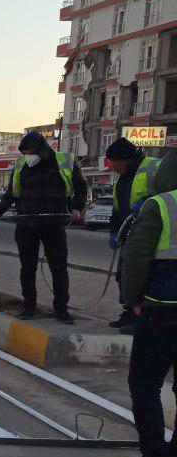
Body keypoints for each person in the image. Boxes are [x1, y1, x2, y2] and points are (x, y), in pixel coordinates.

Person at [113, 150, 177, 457]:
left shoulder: (161, 205)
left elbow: (136, 261)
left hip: (163, 309)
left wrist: (131, 300)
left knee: (145, 385)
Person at [0, 131, 88, 324]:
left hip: (54, 224)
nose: (27, 155)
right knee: (27, 268)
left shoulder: (64, 161)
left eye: (30, 151)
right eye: (24, 152)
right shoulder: (21, 165)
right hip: (26, 224)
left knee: (58, 268)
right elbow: (12, 194)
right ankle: (29, 308)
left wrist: (77, 208)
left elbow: (81, 187)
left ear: (41, 149)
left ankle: (61, 311)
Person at [103, 137, 162, 333]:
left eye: (113, 162)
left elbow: (167, 193)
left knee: (142, 274)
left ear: (124, 159)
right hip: (129, 234)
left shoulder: (153, 167)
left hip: (150, 233)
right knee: (125, 275)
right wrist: (114, 233)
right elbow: (117, 209)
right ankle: (129, 312)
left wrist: (146, 202)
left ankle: (141, 318)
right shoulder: (122, 179)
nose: (111, 167)